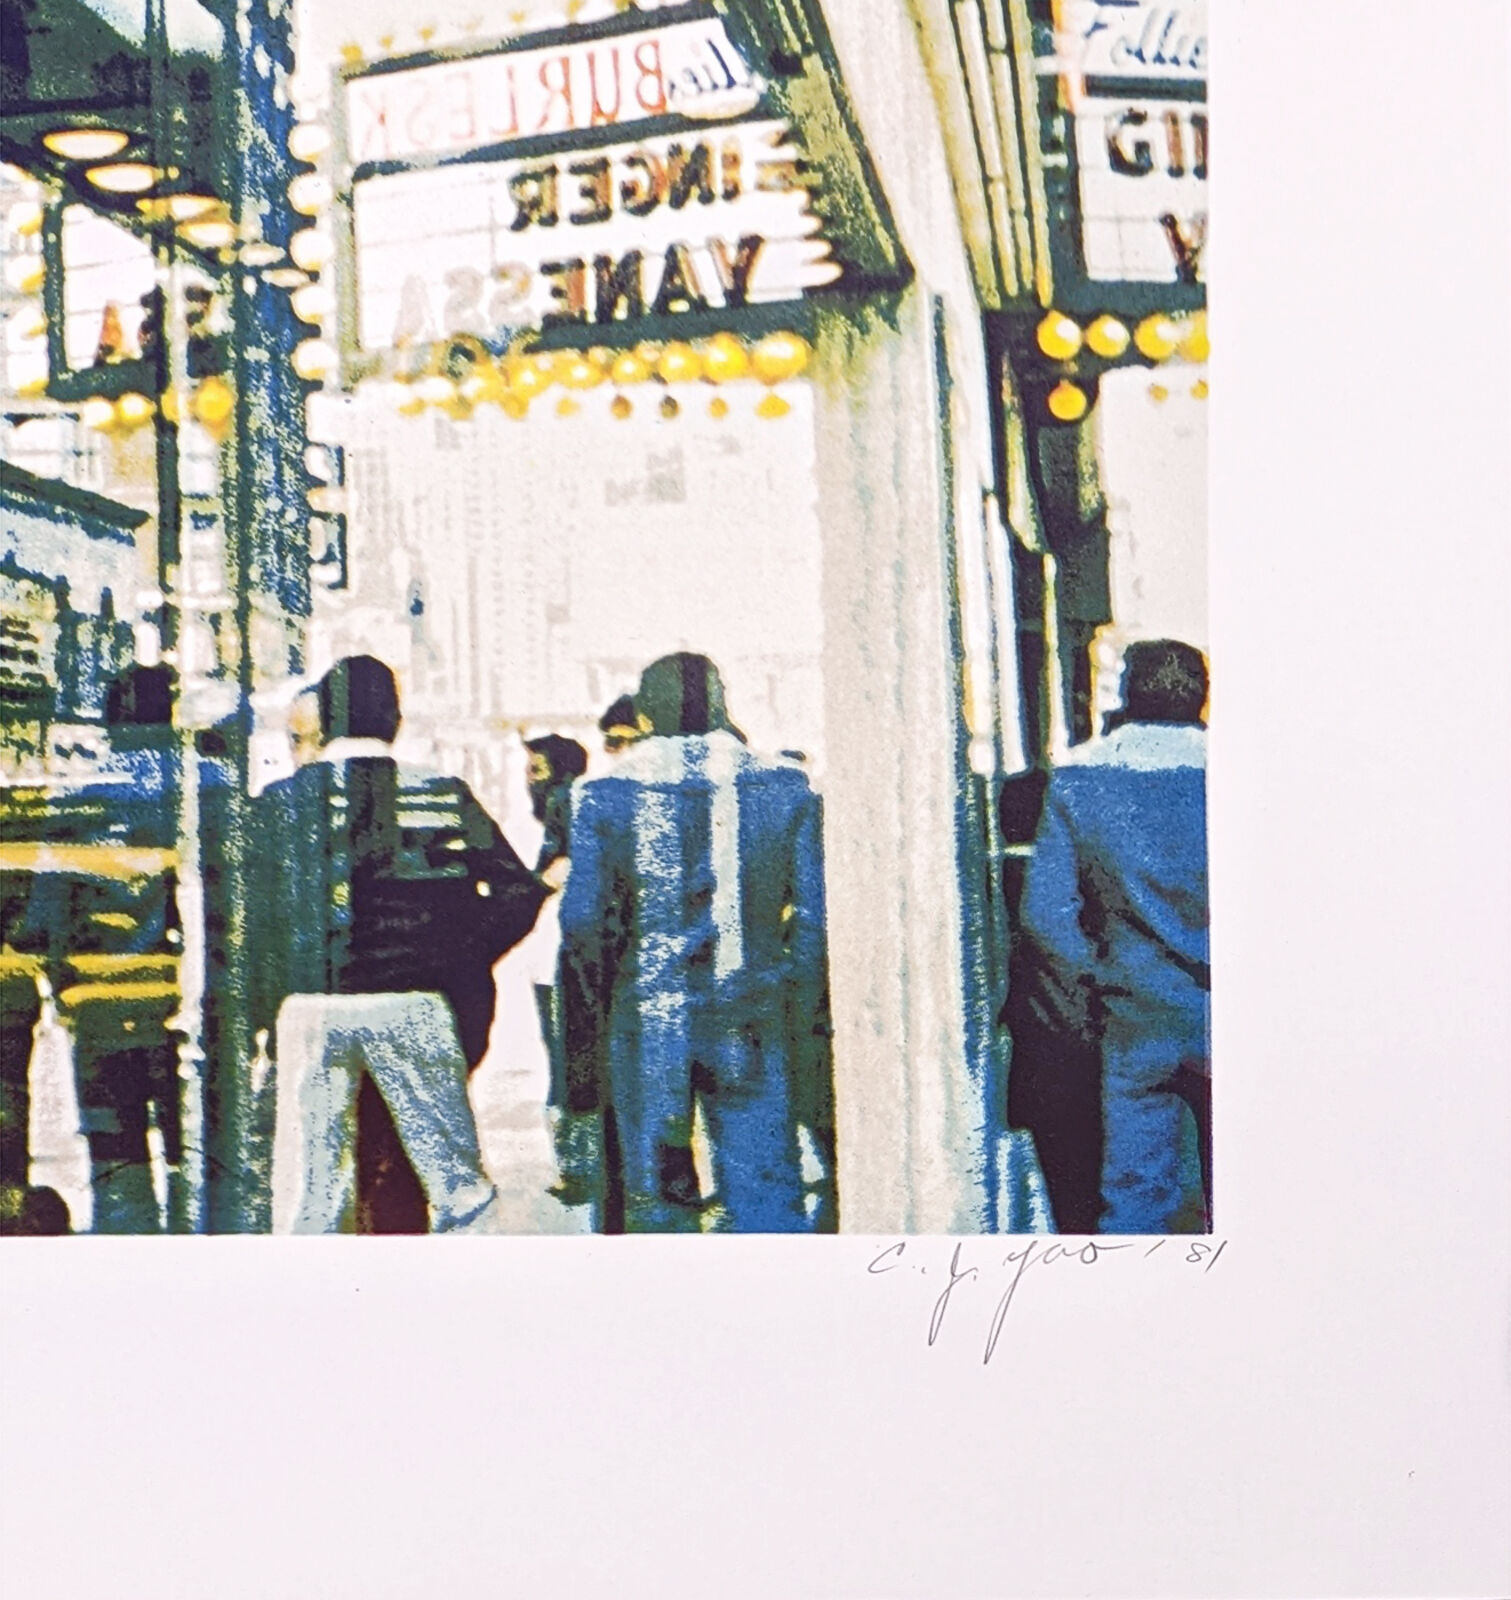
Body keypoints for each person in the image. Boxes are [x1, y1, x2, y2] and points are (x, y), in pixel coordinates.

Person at [253, 656, 545, 1234]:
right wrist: (461, 951)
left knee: (311, 1199)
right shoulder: (443, 794)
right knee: (456, 1190)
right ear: (396, 718)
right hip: (418, 1004)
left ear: (327, 719)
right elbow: (519, 891)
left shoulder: (282, 801)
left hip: (311, 1008)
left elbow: (252, 915)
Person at [560, 652, 827, 1232]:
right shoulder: (785, 787)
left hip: (646, 1025)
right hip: (751, 1017)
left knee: (657, 1205)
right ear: (721, 708)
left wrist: (590, 1032)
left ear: (647, 717)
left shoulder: (605, 795)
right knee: (767, 1196)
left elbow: (583, 927)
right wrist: (795, 1009)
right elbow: (813, 924)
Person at [1018, 639, 1211, 1234]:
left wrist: (1100, 978)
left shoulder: (1081, 776)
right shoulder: (1244, 771)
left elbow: (1045, 914)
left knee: (1133, 1196)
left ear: (1128, 696)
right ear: (1202, 694)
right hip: (1230, 1012)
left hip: (1134, 1014)